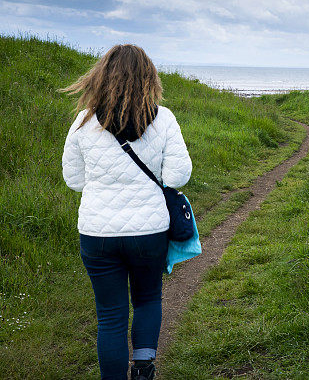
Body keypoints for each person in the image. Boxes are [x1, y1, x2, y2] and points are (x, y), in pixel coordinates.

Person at [61, 45, 192, 380]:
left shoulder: (83, 121)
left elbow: (74, 180)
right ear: (149, 77)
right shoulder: (163, 119)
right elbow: (178, 176)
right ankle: (144, 368)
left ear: (101, 77)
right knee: (147, 299)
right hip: (149, 232)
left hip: (97, 234)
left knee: (110, 316)